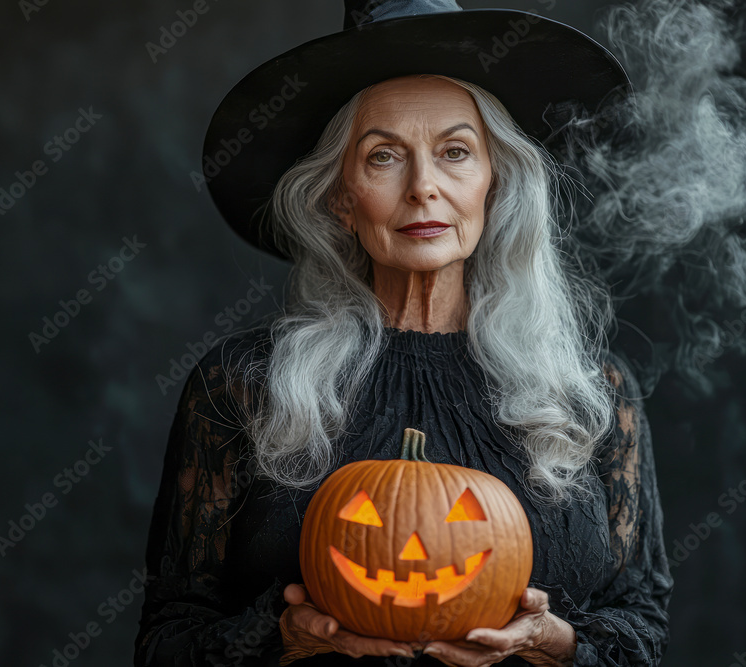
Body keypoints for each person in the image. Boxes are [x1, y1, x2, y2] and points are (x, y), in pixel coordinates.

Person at [135, 1, 672, 665]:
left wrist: (551, 642)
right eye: (384, 156)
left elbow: (642, 628)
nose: (424, 188)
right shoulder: (240, 386)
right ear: (340, 195)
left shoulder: (591, 392)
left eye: (454, 152)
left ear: (494, 183)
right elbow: (166, 640)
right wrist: (284, 635)